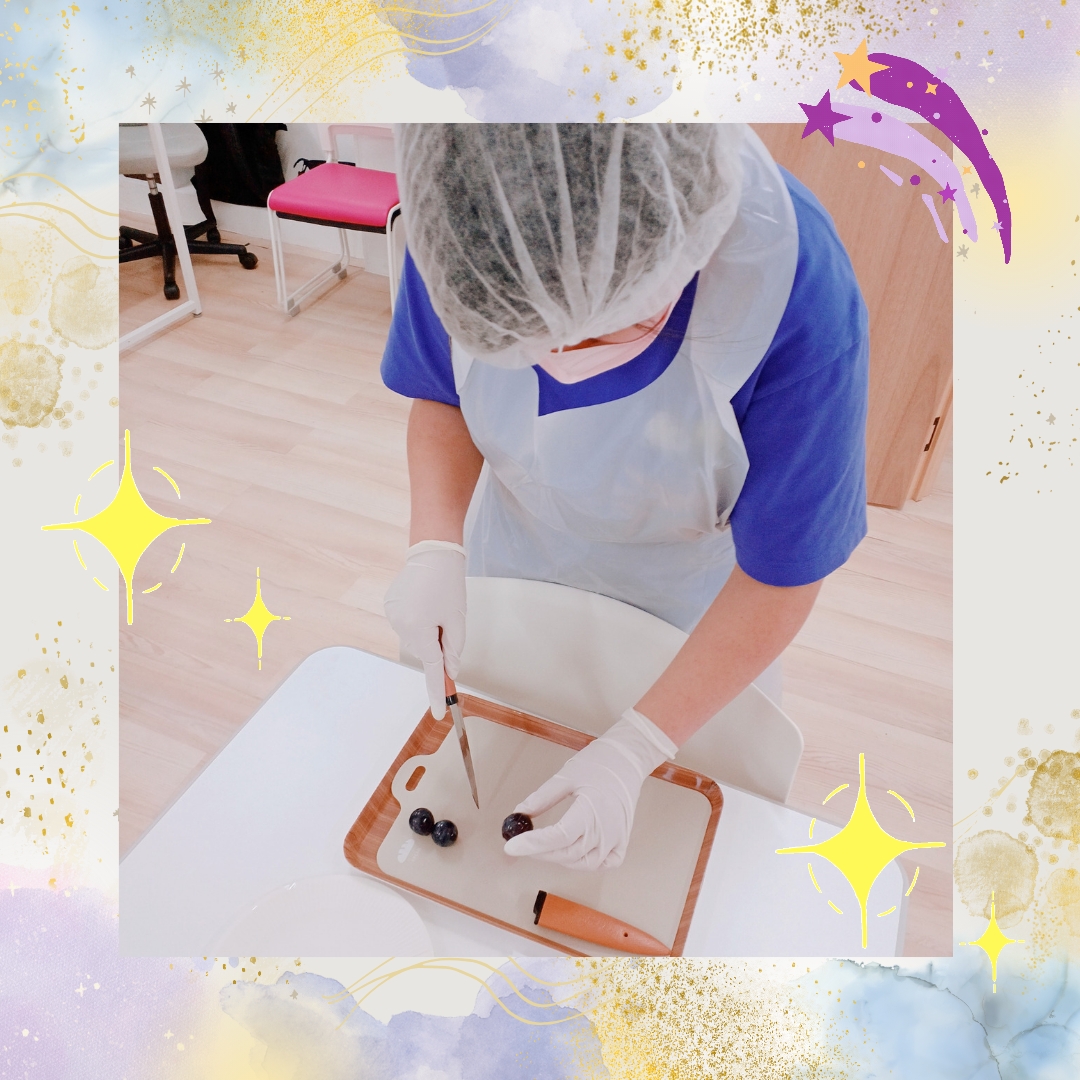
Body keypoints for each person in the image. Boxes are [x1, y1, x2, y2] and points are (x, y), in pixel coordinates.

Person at [381, 124, 868, 872]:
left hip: (691, 620)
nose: (553, 359)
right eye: (517, 339)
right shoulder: (467, 197)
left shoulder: (795, 294)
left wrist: (640, 745)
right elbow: (441, 389)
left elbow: (783, 571)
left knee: (661, 853)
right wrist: (434, 544)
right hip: (514, 566)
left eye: (602, 331)